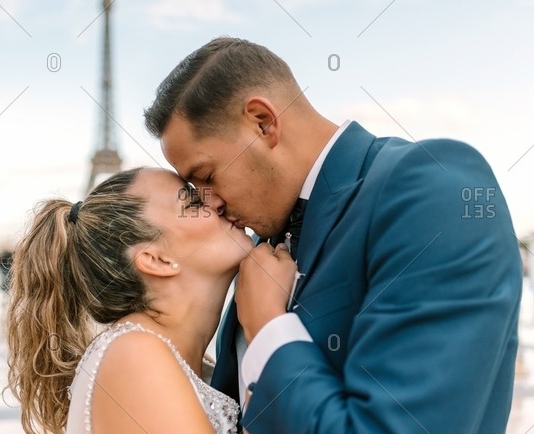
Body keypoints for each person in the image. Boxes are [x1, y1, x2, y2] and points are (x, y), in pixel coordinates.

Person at [144, 37, 523, 433]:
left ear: (263, 122)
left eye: (206, 177)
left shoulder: (433, 188)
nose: (211, 205)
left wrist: (269, 328)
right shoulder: (258, 250)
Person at [6, 168, 255, 434]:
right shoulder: (135, 355)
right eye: (192, 203)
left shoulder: (153, 353)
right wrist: (264, 327)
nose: (216, 201)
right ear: (156, 260)